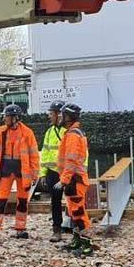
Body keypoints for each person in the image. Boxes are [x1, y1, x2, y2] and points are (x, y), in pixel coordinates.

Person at [0, 104, 40, 241]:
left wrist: (35, 174)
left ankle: (20, 229)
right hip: (6, 171)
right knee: (0, 200)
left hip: (22, 172)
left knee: (22, 201)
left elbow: (34, 155)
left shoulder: (27, 133)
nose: (5, 119)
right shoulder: (2, 132)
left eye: (7, 117)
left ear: (15, 118)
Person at [55, 103, 93, 256]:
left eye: (62, 115)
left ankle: (87, 244)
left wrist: (63, 180)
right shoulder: (74, 133)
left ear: (68, 117)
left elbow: (71, 160)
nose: (59, 117)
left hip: (74, 180)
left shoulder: (72, 135)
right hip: (74, 180)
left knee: (78, 212)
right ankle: (77, 240)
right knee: (74, 212)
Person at [38, 100, 66, 242]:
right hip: (53, 173)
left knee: (74, 202)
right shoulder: (50, 131)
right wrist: (43, 174)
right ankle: (57, 229)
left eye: (51, 113)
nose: (49, 116)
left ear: (59, 114)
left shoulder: (69, 131)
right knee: (55, 202)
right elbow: (45, 153)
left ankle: (78, 229)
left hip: (67, 173)